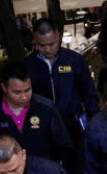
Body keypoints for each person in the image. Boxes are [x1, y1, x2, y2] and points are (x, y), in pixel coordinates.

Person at [26, 18, 100, 156]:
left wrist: (94, 122)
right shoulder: (28, 66)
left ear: (58, 36)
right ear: (35, 40)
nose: (48, 49)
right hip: (42, 127)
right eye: (41, 45)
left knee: (77, 166)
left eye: (52, 44)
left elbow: (89, 93)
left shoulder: (74, 60)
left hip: (72, 126)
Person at [0, 61, 73, 165]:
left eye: (27, 90)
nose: (24, 96)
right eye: (17, 92)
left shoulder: (46, 108)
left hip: (46, 173)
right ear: (4, 88)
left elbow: (64, 145)